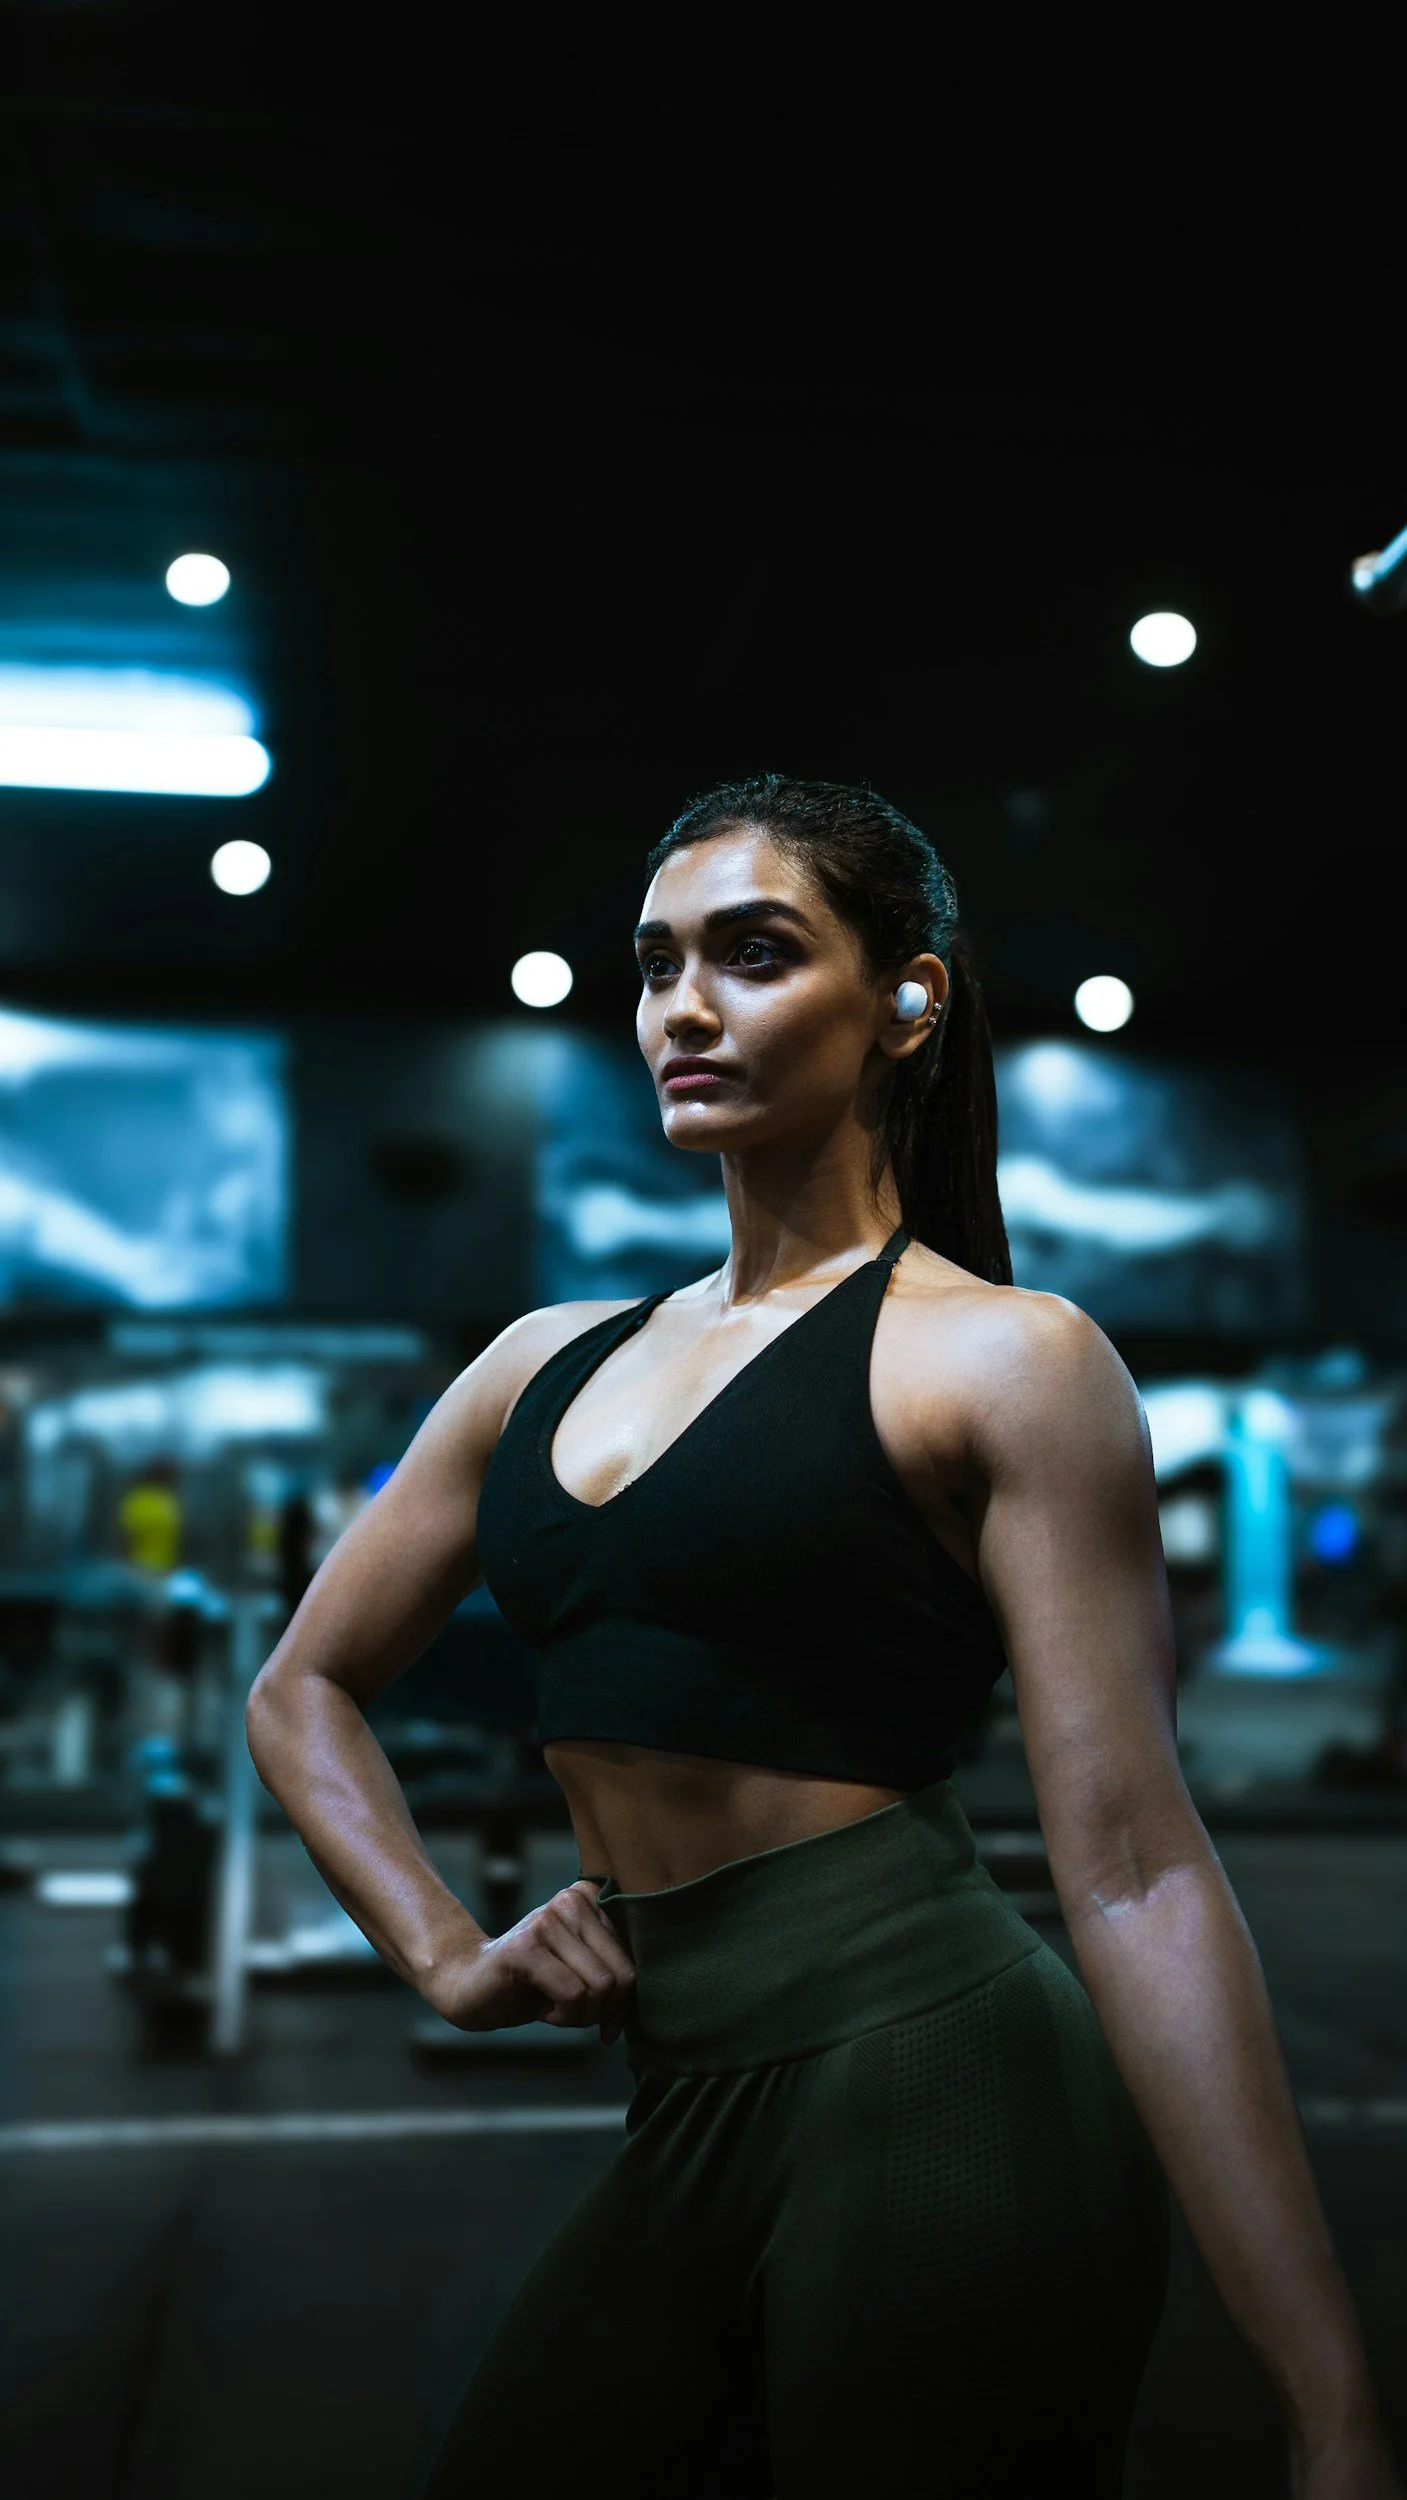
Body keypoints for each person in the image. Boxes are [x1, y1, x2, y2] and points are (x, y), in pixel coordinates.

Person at [247, 776, 1401, 2498]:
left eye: (756, 954)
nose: (682, 1009)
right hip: (684, 2090)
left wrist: (1328, 2409)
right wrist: (442, 1951)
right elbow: (303, 1689)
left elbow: (1138, 1865)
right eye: (653, 966)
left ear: (903, 1002)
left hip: (940, 2078)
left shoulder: (1007, 1358)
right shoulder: (538, 1360)